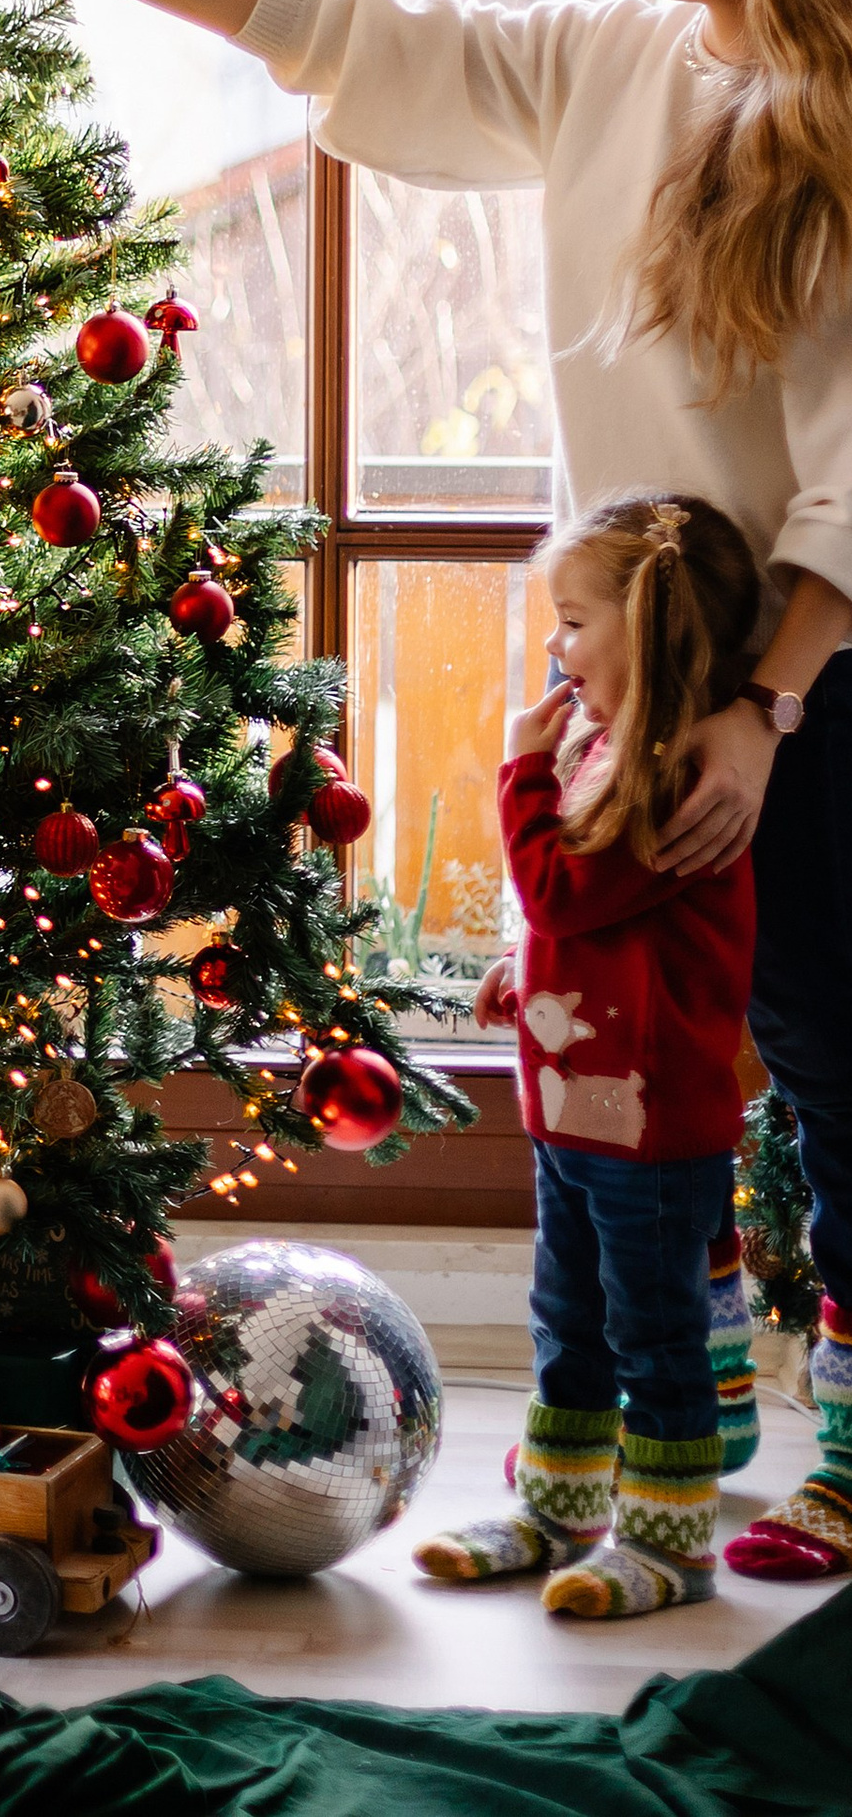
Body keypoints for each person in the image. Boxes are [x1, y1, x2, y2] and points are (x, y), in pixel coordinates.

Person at [0, 0, 852, 1581]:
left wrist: (766, 713)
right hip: (636, 690)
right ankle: (688, 1391)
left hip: (802, 683)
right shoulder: (615, 64)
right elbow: (354, 28)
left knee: (833, 1052)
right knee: (648, 1036)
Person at [411, 495, 758, 1616]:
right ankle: (559, 1507)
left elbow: (566, 884)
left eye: (570, 623)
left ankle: (668, 1542)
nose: (553, 649)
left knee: (653, 1336)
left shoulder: (678, 774)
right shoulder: (607, 748)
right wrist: (532, 972)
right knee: (566, 1319)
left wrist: (514, 775)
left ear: (648, 628)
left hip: (653, 1136)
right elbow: (604, 924)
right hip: (577, 1114)